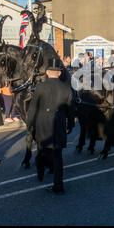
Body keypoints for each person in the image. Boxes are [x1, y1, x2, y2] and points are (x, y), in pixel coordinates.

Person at [27, 58, 74, 195]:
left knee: (42, 151)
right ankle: (58, 185)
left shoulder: (40, 87)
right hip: (59, 124)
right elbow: (71, 109)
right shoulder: (66, 87)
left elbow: (33, 108)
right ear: (59, 74)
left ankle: (40, 174)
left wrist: (30, 125)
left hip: (42, 124)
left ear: (47, 73)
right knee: (58, 156)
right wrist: (70, 124)